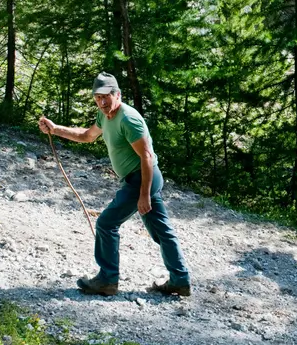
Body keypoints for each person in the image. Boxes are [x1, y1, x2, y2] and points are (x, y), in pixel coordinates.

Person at [39, 72, 191, 297]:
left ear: (117, 94)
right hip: (138, 179)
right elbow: (86, 136)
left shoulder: (128, 118)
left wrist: (144, 194)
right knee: (161, 231)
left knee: (106, 223)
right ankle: (180, 280)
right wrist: (56, 129)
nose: (101, 102)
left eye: (106, 97)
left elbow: (147, 157)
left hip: (141, 178)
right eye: (97, 98)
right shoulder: (104, 116)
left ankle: (107, 280)